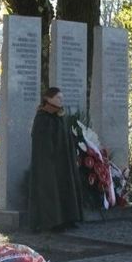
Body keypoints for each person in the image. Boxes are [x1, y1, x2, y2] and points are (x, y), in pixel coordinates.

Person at [28, 87, 83, 232]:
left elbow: (66, 139)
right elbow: (41, 143)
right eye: (58, 98)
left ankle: (68, 218)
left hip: (63, 161)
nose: (61, 100)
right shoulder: (42, 118)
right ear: (48, 99)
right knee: (50, 191)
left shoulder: (60, 117)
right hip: (48, 162)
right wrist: (50, 159)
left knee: (66, 187)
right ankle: (53, 222)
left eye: (61, 98)